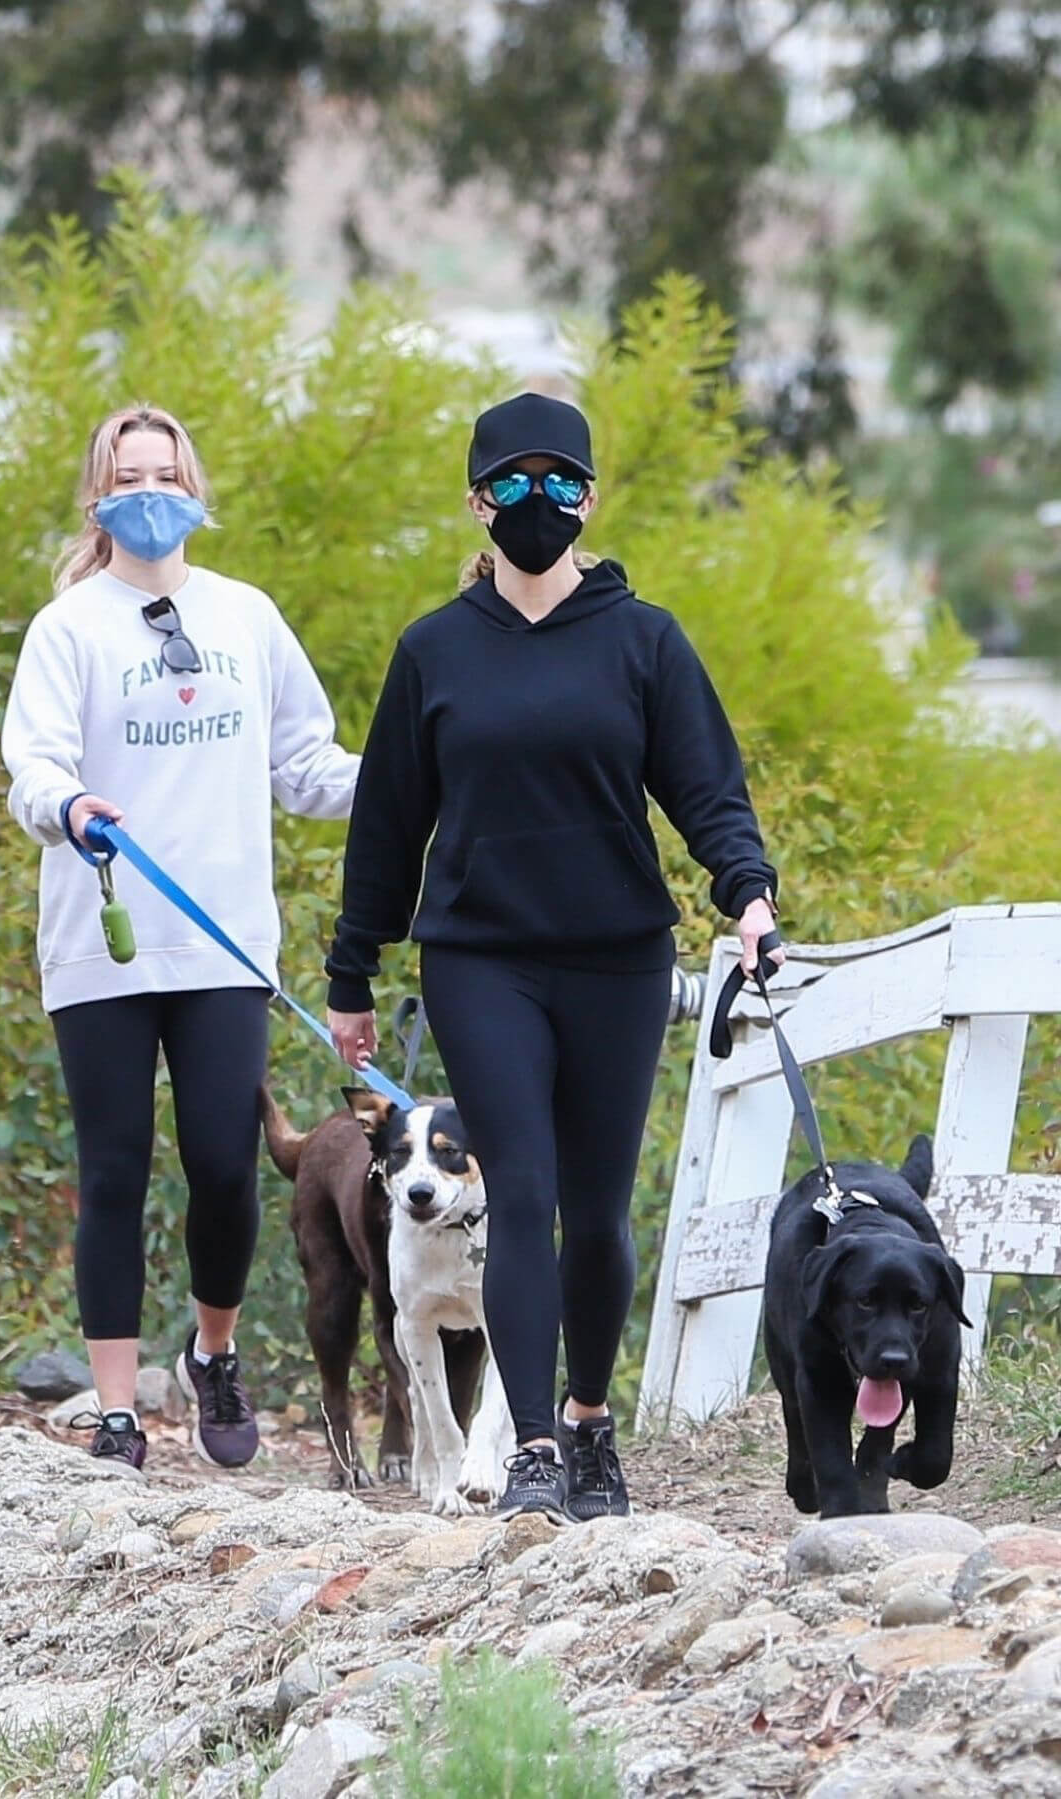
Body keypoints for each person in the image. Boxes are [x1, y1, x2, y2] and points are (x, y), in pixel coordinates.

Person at [325, 391, 782, 1521]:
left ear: (590, 496)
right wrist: (351, 974)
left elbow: (706, 789)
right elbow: (386, 823)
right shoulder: (433, 651)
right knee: (520, 1192)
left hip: (618, 957)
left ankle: (586, 1420)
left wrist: (750, 894)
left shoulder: (646, 640)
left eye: (560, 482)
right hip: (481, 958)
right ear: (479, 501)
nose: (539, 503)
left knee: (599, 1206)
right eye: (514, 484)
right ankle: (530, 1446)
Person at [2, 404, 358, 1472]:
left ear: (195, 488)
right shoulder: (68, 628)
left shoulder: (247, 616)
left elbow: (308, 764)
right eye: (129, 473)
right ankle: (116, 1408)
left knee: (221, 1162)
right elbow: (36, 764)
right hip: (103, 943)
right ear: (98, 494)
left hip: (224, 947)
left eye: (165, 471)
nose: (150, 490)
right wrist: (68, 808)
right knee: (113, 1168)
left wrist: (414, 778)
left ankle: (214, 1350)